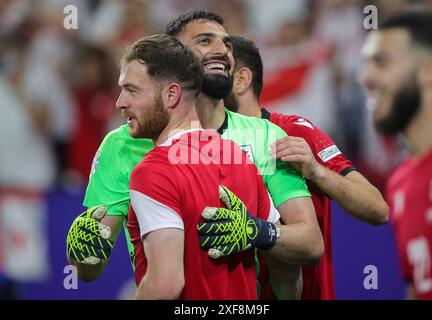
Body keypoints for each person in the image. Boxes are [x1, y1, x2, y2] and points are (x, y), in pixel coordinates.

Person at [66, 11, 322, 298]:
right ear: (175, 58)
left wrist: (257, 231)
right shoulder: (121, 146)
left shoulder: (264, 138)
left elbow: (310, 245)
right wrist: (82, 254)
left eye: (227, 45)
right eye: (204, 40)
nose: (222, 51)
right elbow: (90, 267)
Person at [216, 35, 389, 300]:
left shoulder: (294, 131)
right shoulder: (204, 143)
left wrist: (316, 171)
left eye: (219, 70)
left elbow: (377, 209)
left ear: (241, 80)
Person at [119, 34, 279, 299]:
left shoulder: (153, 172)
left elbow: (166, 284)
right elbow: (285, 270)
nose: (120, 102)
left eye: (132, 90)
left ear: (171, 95)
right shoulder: (239, 158)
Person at [360, 10, 432, 299]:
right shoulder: (399, 183)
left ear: (431, 70)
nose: (365, 78)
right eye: (366, 64)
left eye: (381, 62)